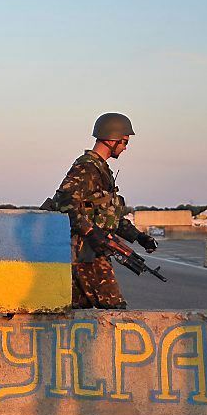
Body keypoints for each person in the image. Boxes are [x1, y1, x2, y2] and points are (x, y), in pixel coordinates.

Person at [48, 113, 158, 309]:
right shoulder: (87, 167)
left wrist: (139, 237)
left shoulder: (101, 169)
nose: (125, 147)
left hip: (89, 250)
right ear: (111, 139)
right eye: (124, 142)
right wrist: (91, 232)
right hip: (85, 252)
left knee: (76, 309)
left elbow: (109, 216)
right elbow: (65, 202)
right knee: (114, 308)